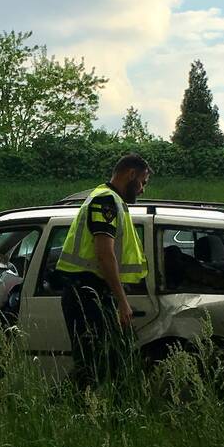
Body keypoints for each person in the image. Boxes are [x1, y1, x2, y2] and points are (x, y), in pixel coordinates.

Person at [54, 153, 151, 385]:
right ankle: (60, 403)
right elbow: (105, 254)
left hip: (95, 293)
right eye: (143, 182)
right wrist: (123, 301)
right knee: (92, 367)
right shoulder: (105, 201)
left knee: (110, 364)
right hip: (86, 294)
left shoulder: (112, 200)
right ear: (131, 174)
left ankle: (105, 406)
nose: (142, 190)